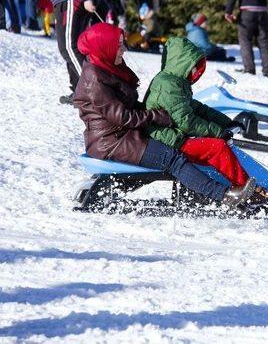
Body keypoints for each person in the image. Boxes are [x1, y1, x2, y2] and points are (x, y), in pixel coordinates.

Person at [73, 22, 257, 211]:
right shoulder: (94, 79)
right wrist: (156, 116)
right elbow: (123, 117)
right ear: (105, 47)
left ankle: (231, 190)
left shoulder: (104, 66)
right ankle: (224, 195)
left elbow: (126, 108)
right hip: (112, 142)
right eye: (118, 45)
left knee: (170, 156)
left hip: (124, 135)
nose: (124, 49)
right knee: (172, 159)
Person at [144, 37, 268, 206]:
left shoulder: (176, 81)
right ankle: (246, 193)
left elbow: (197, 108)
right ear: (183, 63)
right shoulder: (168, 85)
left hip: (173, 136)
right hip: (167, 140)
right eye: (195, 68)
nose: (197, 73)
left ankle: (244, 188)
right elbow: (187, 122)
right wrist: (219, 132)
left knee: (216, 145)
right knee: (217, 148)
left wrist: (226, 122)